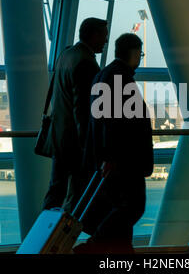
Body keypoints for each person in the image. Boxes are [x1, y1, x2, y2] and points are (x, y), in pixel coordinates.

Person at [73, 33, 154, 254]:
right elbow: (118, 124)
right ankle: (94, 245)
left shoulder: (102, 75)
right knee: (132, 207)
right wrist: (112, 156)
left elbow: (102, 122)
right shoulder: (120, 79)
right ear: (135, 53)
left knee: (120, 209)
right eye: (141, 54)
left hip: (107, 158)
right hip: (124, 159)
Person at [42, 17, 108, 211]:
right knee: (78, 196)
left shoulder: (66, 55)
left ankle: (43, 237)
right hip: (75, 144)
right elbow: (83, 110)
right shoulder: (86, 63)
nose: (105, 41)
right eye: (103, 36)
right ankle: (63, 237)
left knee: (56, 191)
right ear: (93, 35)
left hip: (59, 136)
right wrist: (88, 147)